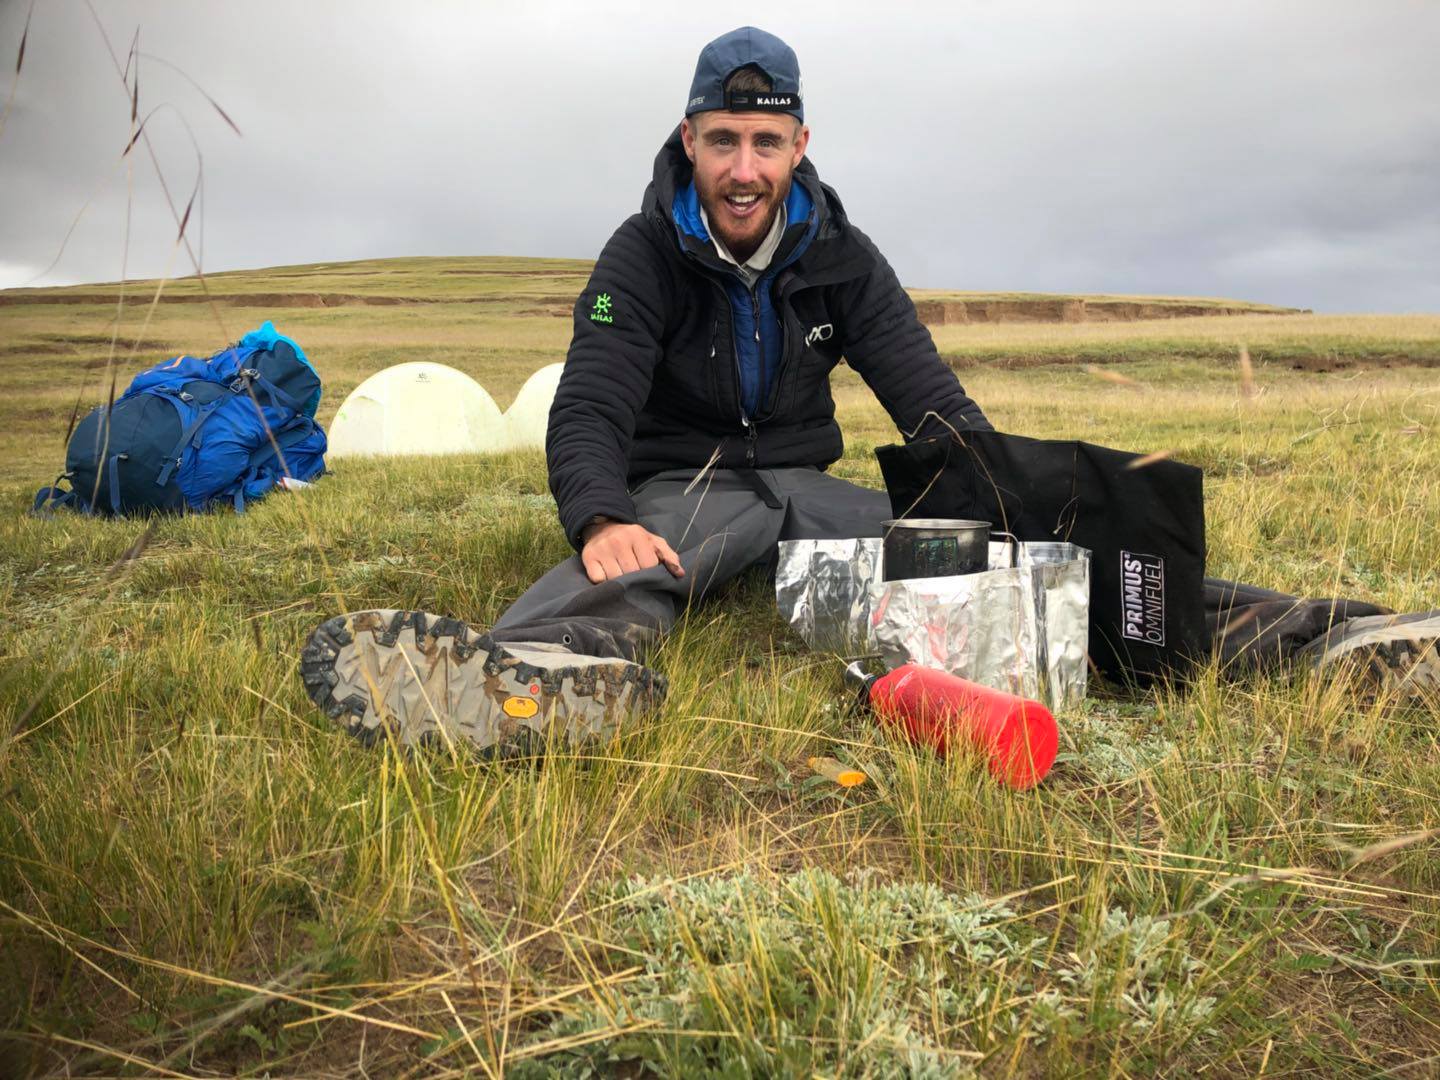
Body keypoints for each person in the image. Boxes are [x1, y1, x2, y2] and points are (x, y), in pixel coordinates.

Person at [299, 28, 1437, 753]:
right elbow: (589, 400)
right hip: (686, 482)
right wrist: (600, 514)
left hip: (805, 486)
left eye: (766, 142)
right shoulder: (636, 257)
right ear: (688, 140)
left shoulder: (844, 255)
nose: (744, 168)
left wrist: (1007, 505)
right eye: (722, 141)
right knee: (647, 558)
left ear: (801, 143)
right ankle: (529, 681)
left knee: (994, 560)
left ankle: (1326, 639)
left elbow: (927, 399)